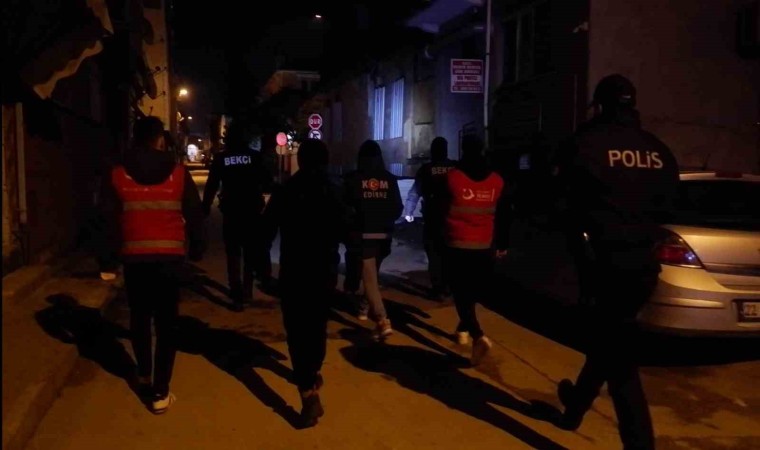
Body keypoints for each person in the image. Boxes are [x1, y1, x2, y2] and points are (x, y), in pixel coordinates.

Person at [551, 74, 679, 449]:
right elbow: (669, 208)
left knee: (620, 363)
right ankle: (573, 408)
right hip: (644, 269)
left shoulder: (586, 144)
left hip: (604, 266)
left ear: (601, 105)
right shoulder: (658, 150)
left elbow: (564, 208)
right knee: (609, 344)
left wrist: (582, 268)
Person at [98, 116, 205, 414]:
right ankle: (160, 391)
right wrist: (197, 248)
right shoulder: (178, 174)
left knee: (140, 318)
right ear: (159, 139)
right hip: (170, 258)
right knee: (167, 325)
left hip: (135, 258)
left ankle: (144, 375)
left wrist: (107, 260)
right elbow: (194, 215)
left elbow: (106, 219)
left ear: (135, 138)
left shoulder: (117, 174)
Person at [263, 139, 347, 427]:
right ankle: (312, 373)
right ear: (325, 160)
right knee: (317, 326)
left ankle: (308, 390)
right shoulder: (335, 190)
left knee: (297, 331)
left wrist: (263, 271)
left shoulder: (286, 190)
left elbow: (265, 232)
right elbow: (349, 231)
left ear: (301, 160)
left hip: (294, 271)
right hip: (324, 271)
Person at [443, 134, 510, 363]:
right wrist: (502, 243)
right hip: (484, 246)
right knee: (471, 292)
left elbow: (440, 210)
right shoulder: (496, 181)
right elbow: (504, 214)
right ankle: (463, 329)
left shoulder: (452, 178)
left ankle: (477, 334)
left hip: (457, 245)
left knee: (461, 293)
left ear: (463, 149)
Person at [202, 122, 274, 311]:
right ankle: (247, 291)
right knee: (250, 253)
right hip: (252, 211)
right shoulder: (255, 157)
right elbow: (268, 181)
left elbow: (212, 184)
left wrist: (205, 207)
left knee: (233, 253)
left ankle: (236, 294)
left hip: (231, 211)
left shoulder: (221, 158)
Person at [343, 140, 403, 339]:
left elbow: (344, 208)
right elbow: (398, 208)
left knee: (369, 277)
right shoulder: (389, 179)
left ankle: (382, 319)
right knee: (371, 274)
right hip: (383, 235)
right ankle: (363, 306)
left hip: (363, 235)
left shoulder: (353, 179)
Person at [402, 137, 456, 300]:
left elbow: (415, 192)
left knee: (434, 255)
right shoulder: (455, 167)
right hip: (453, 219)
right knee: (449, 254)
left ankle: (438, 288)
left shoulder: (426, 169)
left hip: (433, 218)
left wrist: (409, 213)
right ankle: (448, 287)